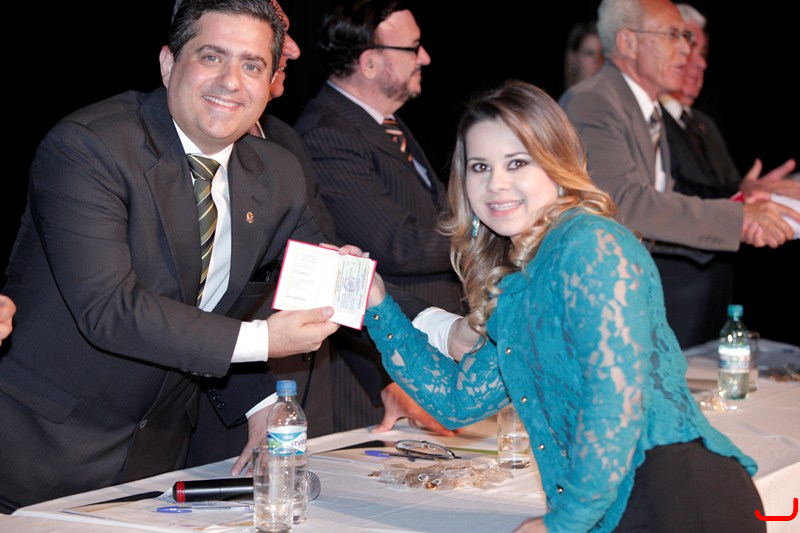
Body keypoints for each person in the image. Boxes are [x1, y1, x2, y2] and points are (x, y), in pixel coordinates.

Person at [363, 79, 765, 533]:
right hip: (620, 504)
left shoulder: (592, 244)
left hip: (677, 499)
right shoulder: (518, 283)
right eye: (480, 167)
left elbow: (615, 402)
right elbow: (457, 401)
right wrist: (378, 305)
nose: (496, 184)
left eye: (517, 162)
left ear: (556, 163)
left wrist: (563, 524)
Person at [0, 0, 354, 512]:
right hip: (35, 454)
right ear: (169, 64)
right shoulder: (89, 146)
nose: (231, 82)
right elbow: (110, 310)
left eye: (252, 65)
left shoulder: (278, 173)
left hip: (155, 466)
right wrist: (264, 339)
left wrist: (441, 330)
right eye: (212, 57)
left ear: (271, 81)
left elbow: (329, 276)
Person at [185, 0, 456, 473]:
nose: (291, 49)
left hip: (309, 394)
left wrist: (434, 338)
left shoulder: (284, 143)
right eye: (277, 33)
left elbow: (335, 268)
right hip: (228, 403)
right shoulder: (320, 133)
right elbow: (188, 303)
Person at [558, 0, 800, 349]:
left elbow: (660, 211)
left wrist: (743, 218)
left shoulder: (647, 109)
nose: (686, 49)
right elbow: (623, 204)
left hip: (638, 305)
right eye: (673, 35)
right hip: (601, 314)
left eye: (686, 37)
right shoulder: (593, 101)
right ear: (628, 42)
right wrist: (738, 219)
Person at [294, 0, 463, 315]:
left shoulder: (383, 120)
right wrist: (487, 234)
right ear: (369, 63)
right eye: (413, 48)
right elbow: (397, 245)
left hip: (439, 317)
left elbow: (437, 211)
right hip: (400, 325)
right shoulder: (327, 134)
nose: (425, 57)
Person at [655, 3, 799, 346]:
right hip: (672, 302)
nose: (699, 62)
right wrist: (743, 195)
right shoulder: (647, 121)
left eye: (703, 52)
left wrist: (763, 194)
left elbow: (729, 193)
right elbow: (668, 198)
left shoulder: (704, 124)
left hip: (716, 304)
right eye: (687, 49)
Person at [562, 20, 605, 93]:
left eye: (602, 53)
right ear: (572, 58)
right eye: (590, 53)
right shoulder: (566, 99)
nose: (598, 60)